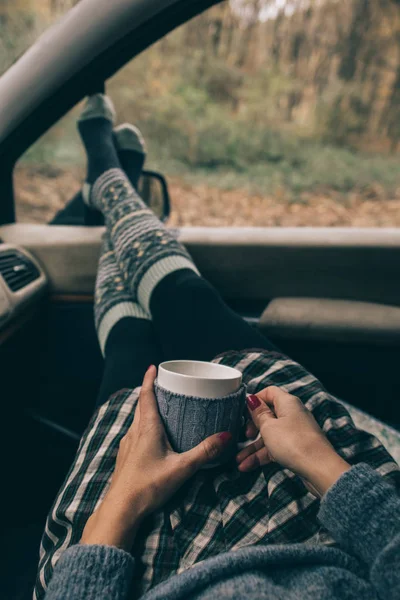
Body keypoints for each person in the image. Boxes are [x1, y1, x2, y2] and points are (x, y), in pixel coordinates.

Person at [34, 95, 400, 600]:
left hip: (138, 560)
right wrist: (320, 461)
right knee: (184, 297)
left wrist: (122, 500)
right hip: (315, 510)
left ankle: (110, 181)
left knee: (128, 347)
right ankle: (113, 184)